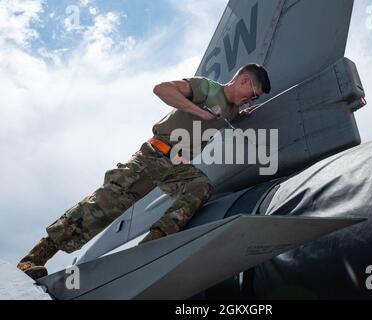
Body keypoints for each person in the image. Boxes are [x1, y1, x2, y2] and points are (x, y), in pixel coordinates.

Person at [17, 63, 271, 280]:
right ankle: (33, 258)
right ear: (244, 80)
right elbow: (161, 89)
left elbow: (231, 116)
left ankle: (151, 245)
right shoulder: (206, 88)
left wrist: (241, 115)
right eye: (253, 93)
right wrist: (198, 111)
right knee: (101, 207)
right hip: (152, 155)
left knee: (200, 186)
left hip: (177, 164)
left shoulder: (233, 109)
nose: (252, 99)